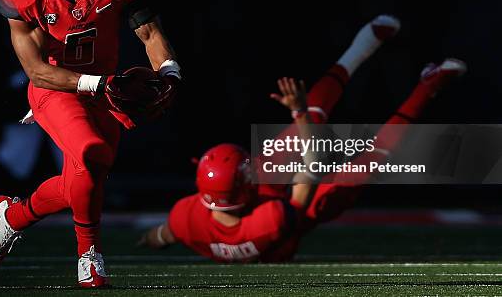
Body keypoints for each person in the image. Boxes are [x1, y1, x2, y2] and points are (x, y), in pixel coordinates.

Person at [138, 16, 466, 262]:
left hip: (261, 201)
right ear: (243, 184)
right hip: (297, 210)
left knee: (319, 120)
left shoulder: (186, 219)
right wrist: (299, 114)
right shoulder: (269, 221)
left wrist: (145, 242)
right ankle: (428, 86)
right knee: (370, 159)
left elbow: (163, 235)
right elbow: (313, 162)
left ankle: (358, 51)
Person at [0, 0, 181, 288]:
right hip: (55, 87)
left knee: (82, 181)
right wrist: (98, 84)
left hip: (106, 85)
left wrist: (171, 72)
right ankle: (89, 257)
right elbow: (35, 70)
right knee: (92, 152)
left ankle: (12, 217)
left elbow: (150, 32)